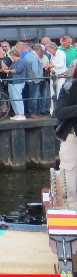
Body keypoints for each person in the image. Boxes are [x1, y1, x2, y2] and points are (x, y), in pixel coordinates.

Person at [54, 67, 77, 208]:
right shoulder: (69, 88)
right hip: (72, 136)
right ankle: (71, 211)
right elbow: (60, 112)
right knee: (70, 178)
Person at [3, 48, 27, 120]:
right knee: (12, 98)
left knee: (17, 98)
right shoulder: (14, 62)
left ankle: (21, 114)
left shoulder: (21, 61)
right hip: (12, 82)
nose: (11, 57)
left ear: (14, 55)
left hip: (17, 82)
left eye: (12, 55)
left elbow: (19, 70)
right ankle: (17, 113)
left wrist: (8, 71)